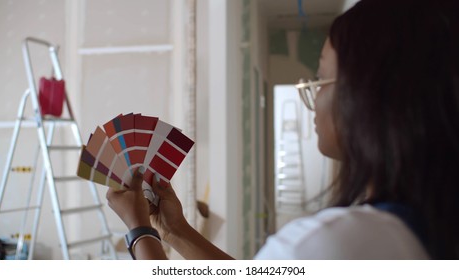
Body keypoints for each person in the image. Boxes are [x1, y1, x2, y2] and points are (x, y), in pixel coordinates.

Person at [107, 0, 459, 259]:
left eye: (322, 77)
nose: (312, 90)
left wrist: (139, 230)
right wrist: (175, 231)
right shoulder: (418, 228)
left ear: (368, 95)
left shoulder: (333, 243)